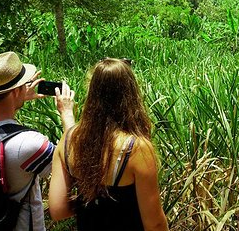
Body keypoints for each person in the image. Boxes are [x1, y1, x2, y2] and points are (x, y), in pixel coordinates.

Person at [48, 58, 168, 231]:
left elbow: (58, 210)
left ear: (92, 92)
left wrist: (89, 200)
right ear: (131, 94)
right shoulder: (135, 148)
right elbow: (154, 223)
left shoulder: (67, 141)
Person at [0, 51, 75, 231]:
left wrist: (15, 98)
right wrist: (66, 113)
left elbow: (1, 129)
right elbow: (73, 160)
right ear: (16, 90)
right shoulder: (30, 144)